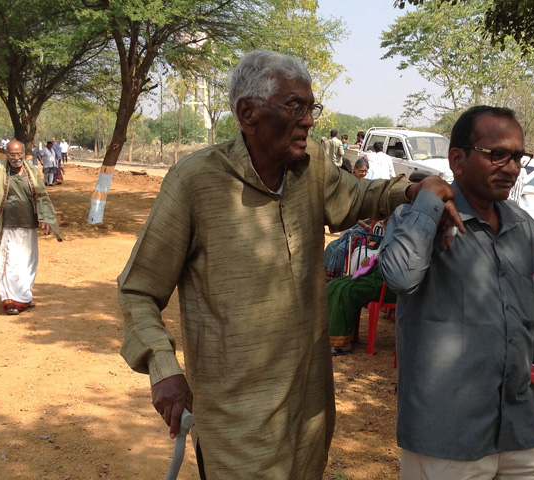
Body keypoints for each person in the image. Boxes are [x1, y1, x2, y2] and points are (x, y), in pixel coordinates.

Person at [118, 49, 416, 479]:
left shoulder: (310, 166)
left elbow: (356, 197)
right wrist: (163, 369)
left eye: (311, 108)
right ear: (247, 113)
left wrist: (409, 191)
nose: (309, 120)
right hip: (237, 424)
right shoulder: (195, 182)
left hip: (308, 412)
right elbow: (138, 290)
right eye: (295, 106)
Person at [379, 105, 534, 480]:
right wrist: (429, 202)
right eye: (497, 154)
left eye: (517, 157)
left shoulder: (523, 228)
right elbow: (399, 278)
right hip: (447, 440)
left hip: (522, 434)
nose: (512, 168)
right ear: (457, 159)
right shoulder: (419, 219)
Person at [0, 140, 61, 315]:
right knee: (9, 264)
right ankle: (10, 301)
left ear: (23, 153)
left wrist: (45, 217)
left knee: (28, 263)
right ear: (7, 154)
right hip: (8, 226)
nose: (16, 158)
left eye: (19, 154)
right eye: (12, 154)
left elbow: (42, 196)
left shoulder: (32, 171)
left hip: (28, 226)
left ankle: (24, 296)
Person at [328, 218, 394, 356]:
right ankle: (333, 335)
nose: (384, 227)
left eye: (386, 224)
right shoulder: (390, 236)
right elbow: (381, 253)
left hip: (386, 283)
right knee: (334, 285)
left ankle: (343, 344)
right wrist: (371, 260)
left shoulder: (402, 239)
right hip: (375, 274)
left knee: (347, 291)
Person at [324, 157, 372, 281]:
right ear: (354, 169)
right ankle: (327, 275)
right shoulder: (348, 183)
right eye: (361, 171)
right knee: (332, 246)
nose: (363, 173)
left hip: (358, 223)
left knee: (341, 247)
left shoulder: (367, 185)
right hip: (348, 219)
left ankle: (334, 276)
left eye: (365, 171)